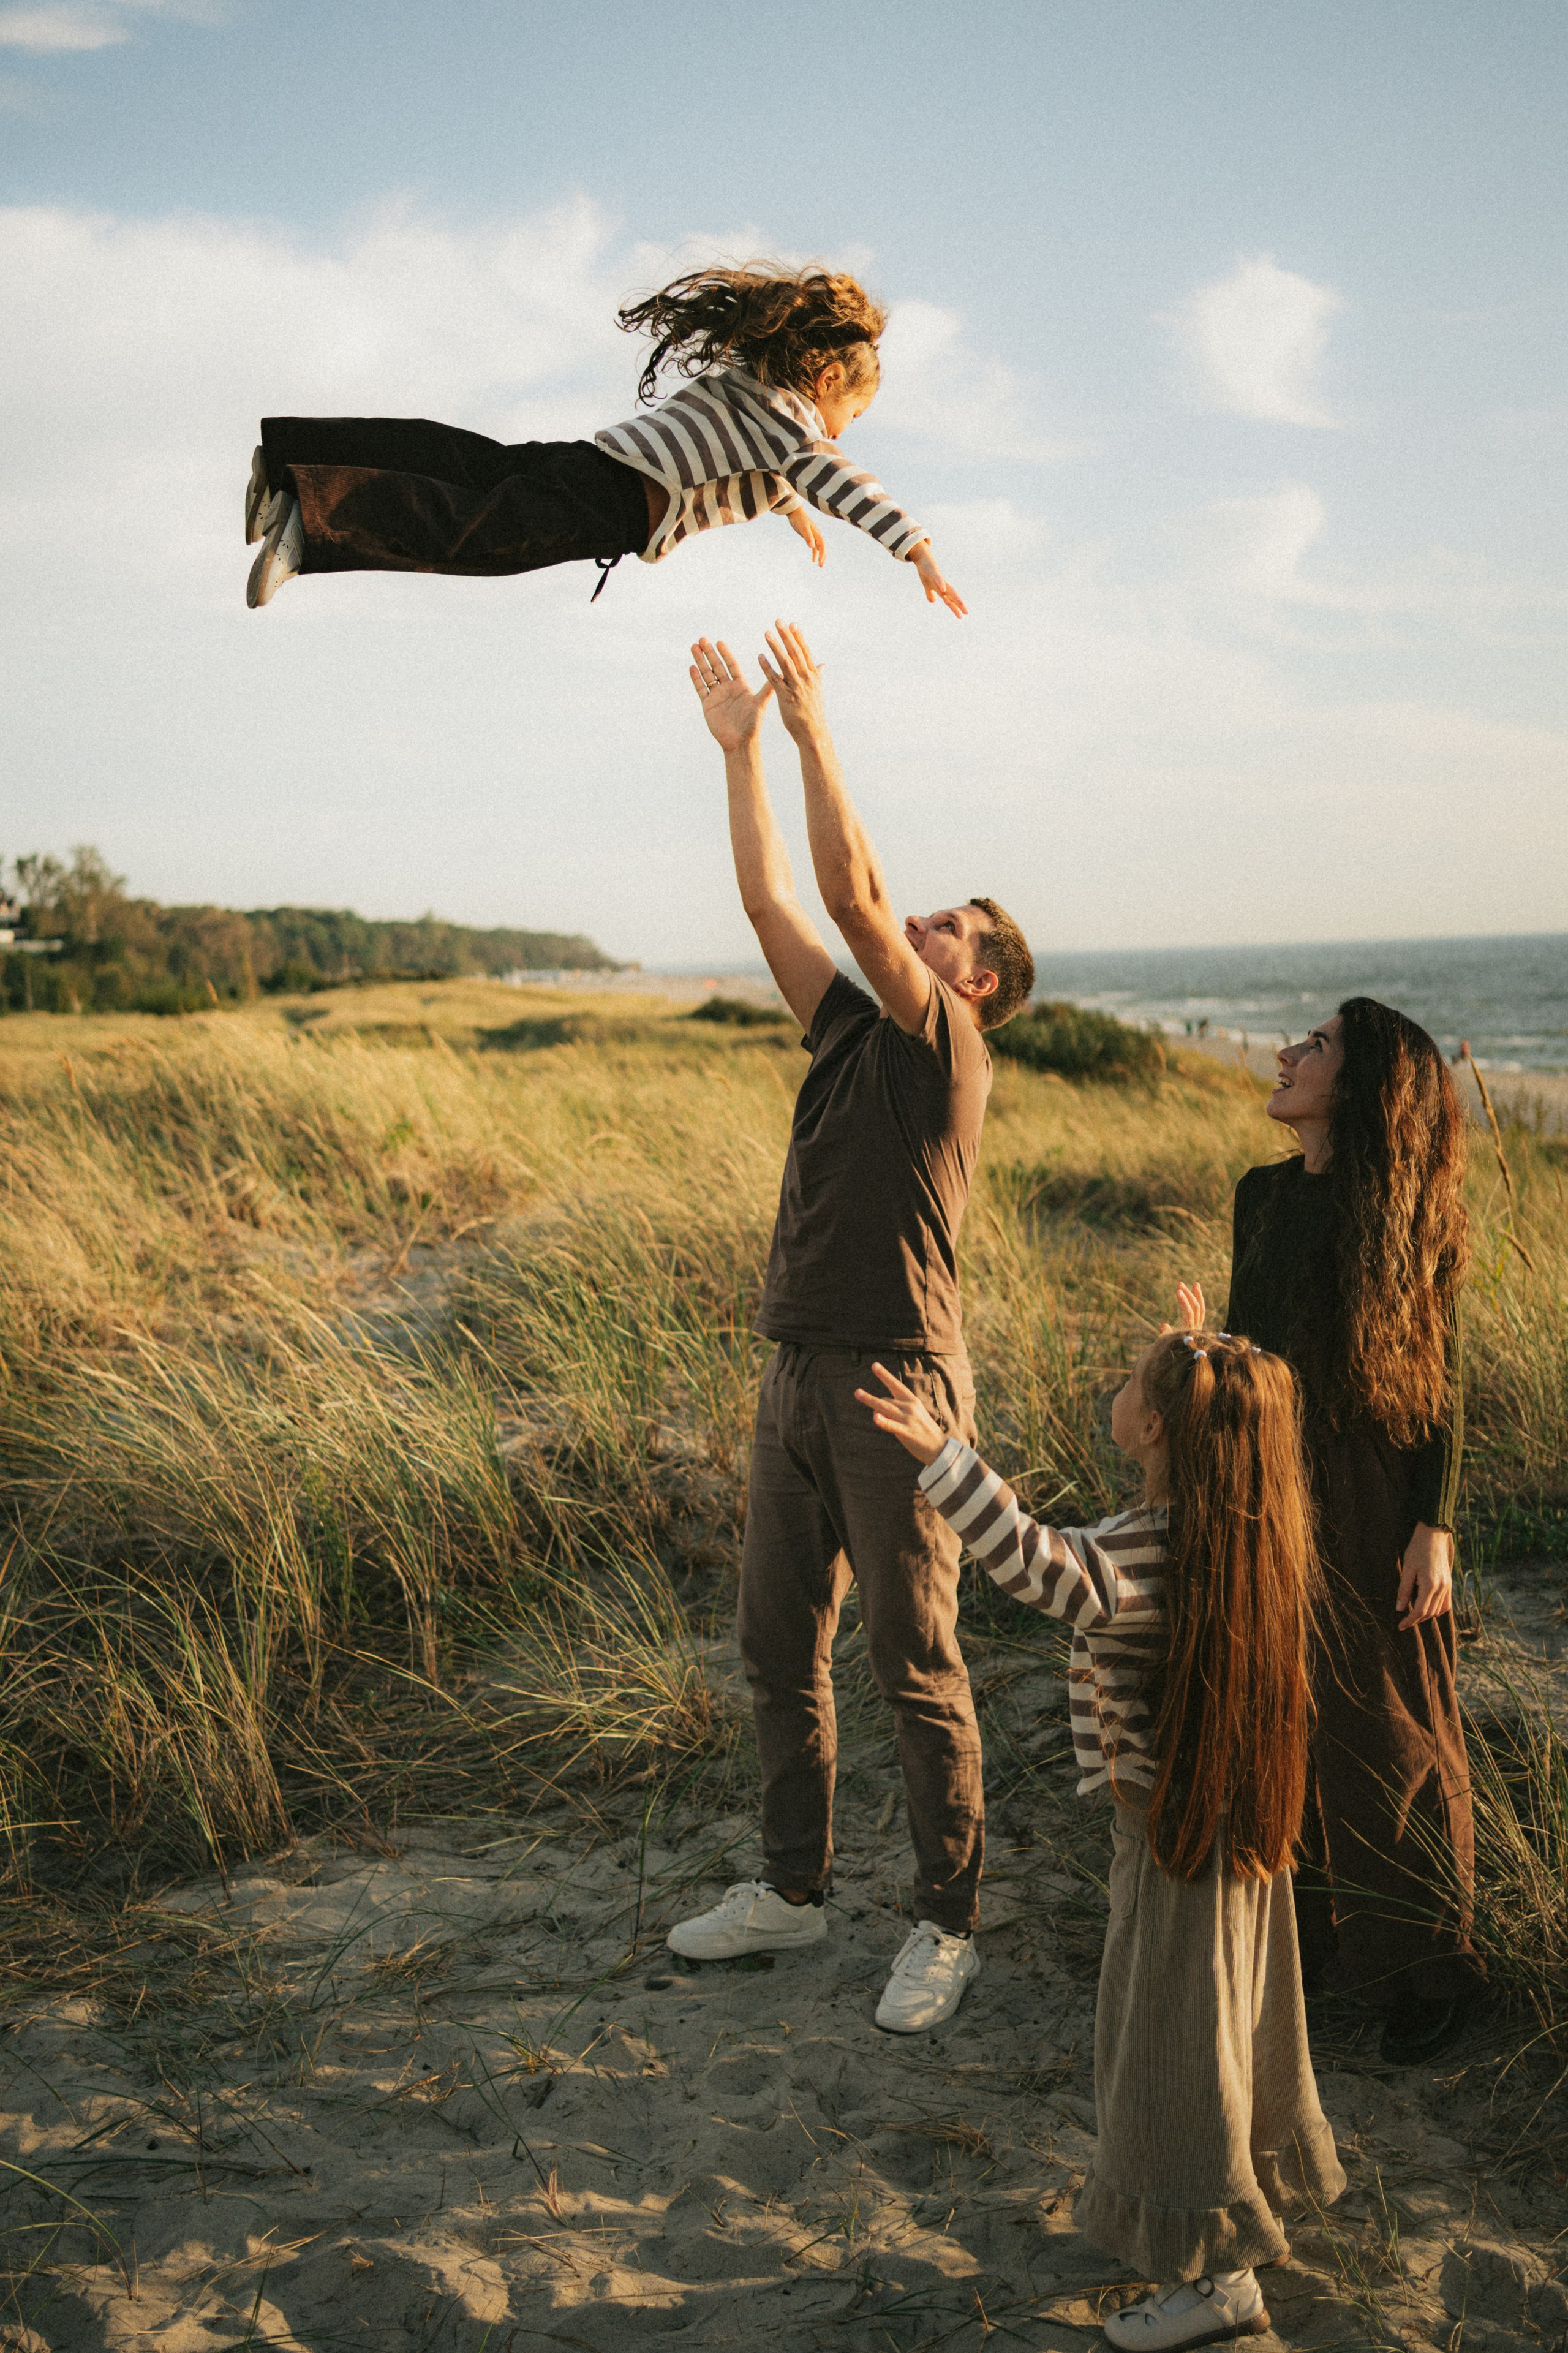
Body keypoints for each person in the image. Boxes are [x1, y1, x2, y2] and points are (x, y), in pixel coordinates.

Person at [663, 623, 1033, 2033]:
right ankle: (790, 1888)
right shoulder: (843, 1034)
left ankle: (947, 1920)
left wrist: (818, 727)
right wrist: (742, 746)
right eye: (929, 917)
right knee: (777, 1646)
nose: (922, 924)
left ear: (978, 979)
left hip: (899, 1383)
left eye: (953, 928)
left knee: (914, 1658)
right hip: (796, 1366)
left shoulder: (947, 1046)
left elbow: (850, 895)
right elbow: (777, 906)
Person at [862, 1328, 1345, 2351]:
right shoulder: (1242, 1528)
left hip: (1173, 1847)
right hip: (1233, 1829)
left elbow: (1040, 1564)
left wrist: (943, 1460)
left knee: (1174, 2056)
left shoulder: (1146, 1550)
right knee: (1227, 2033)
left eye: (1132, 1382)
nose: (1112, 1390)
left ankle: (1218, 2280)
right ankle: (1243, 2206)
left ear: (1159, 1428)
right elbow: (1229, 1416)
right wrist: (1204, 1344)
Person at [1197, 998, 1482, 2067]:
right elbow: (1246, 1348)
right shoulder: (1260, 1196)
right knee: (1279, 1714)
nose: (1284, 1054)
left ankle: (1429, 1968)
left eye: (1313, 1047)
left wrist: (1433, 1526)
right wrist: (1204, 1362)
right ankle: (1311, 1953)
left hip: (1373, 1492)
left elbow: (1439, 1387)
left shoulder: (1408, 1211)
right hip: (1267, 1479)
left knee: (1393, 1728)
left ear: (1357, 1087)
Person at [243, 264, 965, 616]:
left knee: (464, 462)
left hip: (593, 461)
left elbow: (767, 467)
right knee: (469, 534)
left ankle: (288, 456)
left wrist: (790, 509)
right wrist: (917, 550)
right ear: (827, 376)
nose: (844, 432)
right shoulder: (797, 432)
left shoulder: (754, 387)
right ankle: (310, 524)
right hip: (613, 506)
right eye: (852, 415)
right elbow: (837, 477)